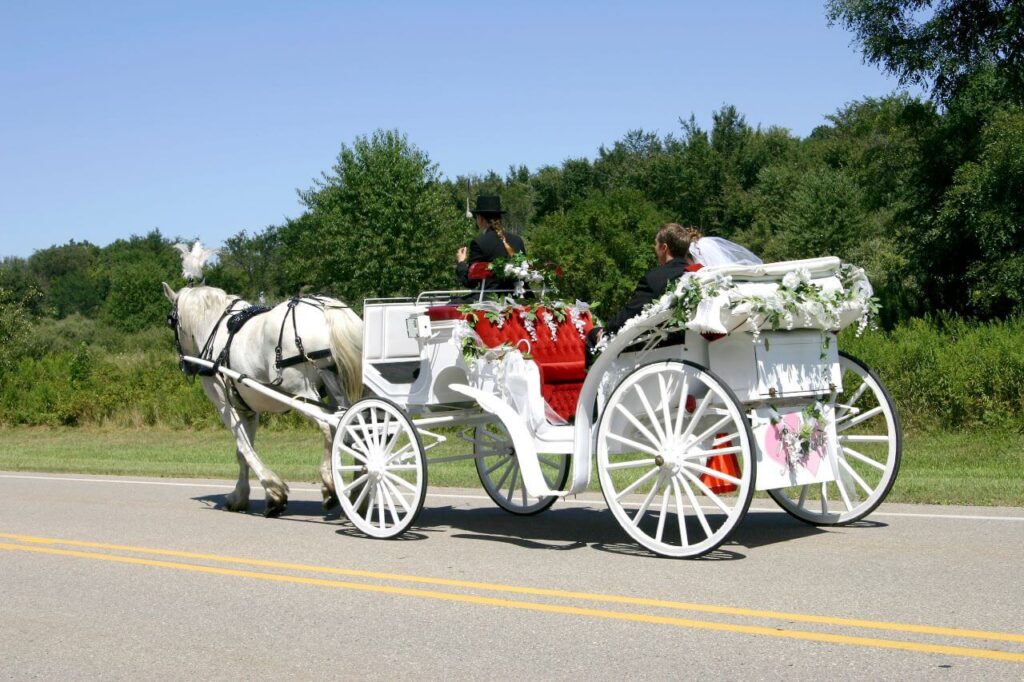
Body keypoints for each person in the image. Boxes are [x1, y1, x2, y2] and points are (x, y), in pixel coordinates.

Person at [455, 195, 526, 290]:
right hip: (521, 295)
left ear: (480, 219)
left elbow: (470, 282)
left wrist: (461, 263)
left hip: (493, 298)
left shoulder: (479, 243)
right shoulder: (518, 240)